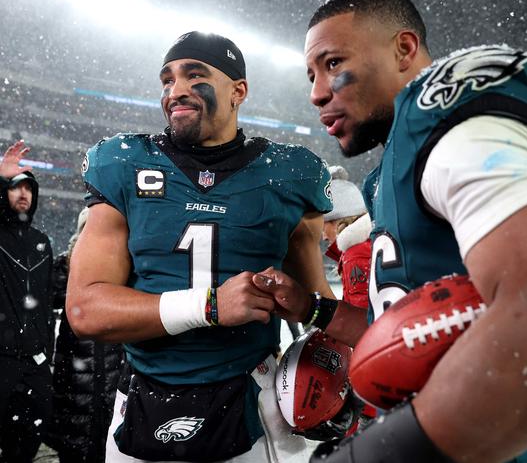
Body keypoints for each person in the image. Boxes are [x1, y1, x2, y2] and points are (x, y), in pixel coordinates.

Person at [251, 0, 527, 463]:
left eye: (334, 64)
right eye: (311, 74)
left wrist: (379, 452)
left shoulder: (447, 117)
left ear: (404, 49)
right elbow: (400, 331)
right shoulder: (388, 174)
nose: (316, 93)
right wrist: (311, 308)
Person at [66, 31, 335, 463]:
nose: (176, 91)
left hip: (254, 395)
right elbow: (84, 310)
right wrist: (209, 306)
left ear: (238, 91)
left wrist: (331, 368)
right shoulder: (123, 162)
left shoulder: (290, 174)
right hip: (142, 397)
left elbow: (315, 307)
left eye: (195, 75)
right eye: (167, 79)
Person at [45, 207, 124, 463]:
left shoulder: (122, 271)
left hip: (110, 385)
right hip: (74, 387)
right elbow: (43, 296)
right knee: (76, 446)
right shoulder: (65, 272)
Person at [0, 140, 55, 463]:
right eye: (15, 188)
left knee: (29, 443)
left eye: (29, 189)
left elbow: (47, 299)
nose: (23, 194)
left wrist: (44, 350)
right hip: (2, 359)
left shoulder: (41, 242)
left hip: (34, 363)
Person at [321, 165, 372, 311]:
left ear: (338, 221)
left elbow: (360, 321)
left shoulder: (356, 255)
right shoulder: (369, 244)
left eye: (323, 226)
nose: (323, 236)